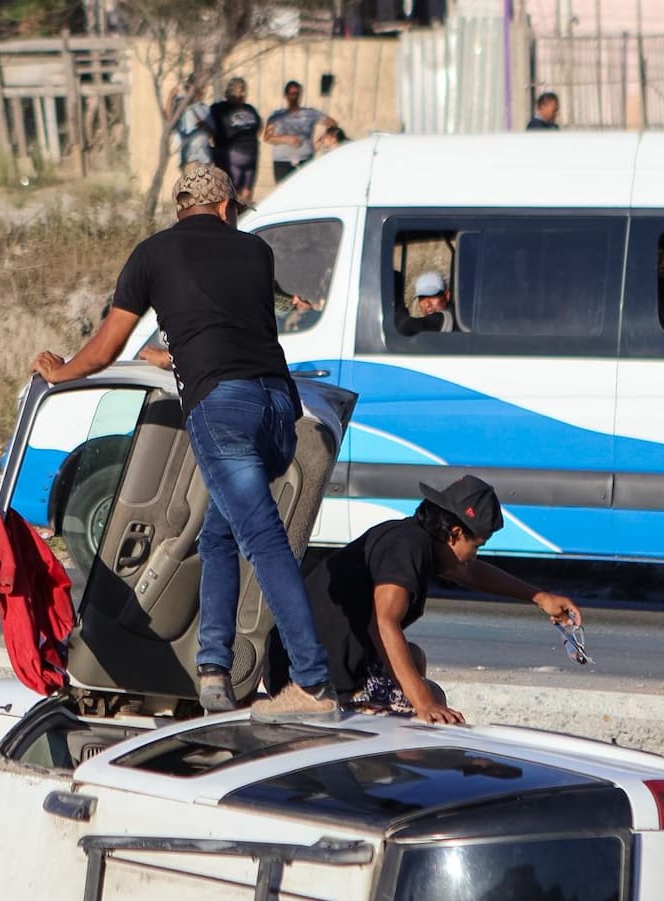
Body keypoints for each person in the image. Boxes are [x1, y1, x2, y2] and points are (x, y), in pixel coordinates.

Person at [31, 164, 338, 723]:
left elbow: (106, 347)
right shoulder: (255, 252)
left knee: (262, 540)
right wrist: (175, 358)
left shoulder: (152, 255)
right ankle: (214, 669)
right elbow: (234, 333)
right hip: (278, 408)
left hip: (223, 411)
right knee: (218, 534)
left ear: (181, 207)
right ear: (224, 207)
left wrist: (61, 371)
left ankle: (313, 683)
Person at [267, 476, 582, 724]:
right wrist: (424, 703)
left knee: (414, 657)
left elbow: (469, 573)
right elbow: (383, 623)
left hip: (303, 662)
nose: (474, 555)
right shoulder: (408, 549)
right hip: (313, 680)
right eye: (477, 546)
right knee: (434, 698)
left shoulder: (412, 537)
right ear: (455, 533)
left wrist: (539, 597)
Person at [263, 80, 336, 183]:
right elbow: (267, 137)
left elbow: (332, 123)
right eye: (292, 93)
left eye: (297, 93)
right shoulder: (277, 116)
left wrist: (321, 140)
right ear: (286, 95)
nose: (295, 96)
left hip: (305, 160)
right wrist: (285, 139)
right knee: (284, 191)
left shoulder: (309, 113)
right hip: (282, 162)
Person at [207, 77, 262, 203]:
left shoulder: (250, 108)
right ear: (230, 92)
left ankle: (243, 214)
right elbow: (211, 129)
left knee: (247, 194)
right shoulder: (219, 109)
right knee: (231, 193)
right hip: (230, 155)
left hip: (251, 155)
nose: (242, 94)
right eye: (239, 90)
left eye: (243, 90)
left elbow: (258, 126)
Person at [166, 80, 211, 172]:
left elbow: (212, 135)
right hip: (189, 159)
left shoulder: (205, 108)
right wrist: (170, 97)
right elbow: (169, 118)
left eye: (204, 88)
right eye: (201, 88)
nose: (203, 91)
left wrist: (205, 126)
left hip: (205, 159)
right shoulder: (182, 106)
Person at [395, 271, 455, 335]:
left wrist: (396, 302)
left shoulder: (443, 318)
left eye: (432, 296)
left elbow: (405, 326)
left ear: (447, 296)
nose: (427, 304)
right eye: (422, 298)